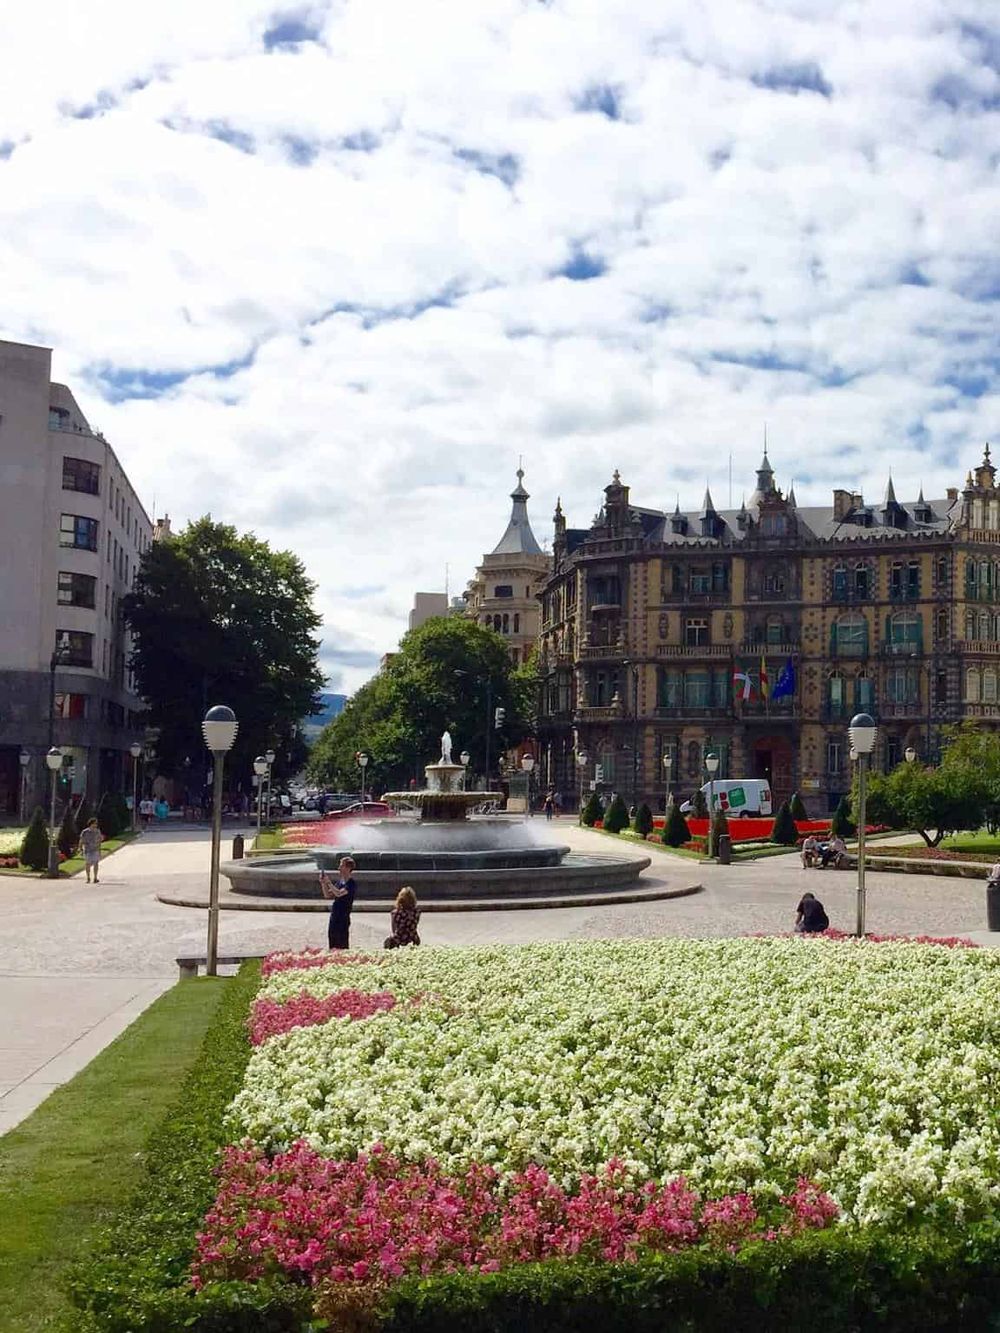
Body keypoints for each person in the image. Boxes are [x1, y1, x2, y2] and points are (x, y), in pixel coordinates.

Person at [320, 856, 357, 950]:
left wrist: (329, 883)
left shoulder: (351, 883)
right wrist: (323, 883)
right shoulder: (340, 882)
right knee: (332, 941)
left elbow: (339, 893)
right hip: (335, 915)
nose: (339, 868)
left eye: (341, 866)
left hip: (343, 917)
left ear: (348, 868)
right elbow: (327, 895)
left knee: (342, 943)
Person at [385, 885, 421, 949]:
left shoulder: (395, 913)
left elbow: (394, 929)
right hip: (412, 937)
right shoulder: (416, 913)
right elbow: (415, 926)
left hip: (399, 938)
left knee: (389, 941)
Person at [79, 818, 103, 884]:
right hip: (87, 850)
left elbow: (99, 841)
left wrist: (99, 849)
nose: (96, 825)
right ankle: (88, 877)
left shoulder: (97, 831)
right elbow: (81, 841)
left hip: (95, 849)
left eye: (96, 824)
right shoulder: (85, 832)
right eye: (95, 823)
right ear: (91, 824)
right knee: (87, 864)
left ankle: (95, 877)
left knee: (96, 863)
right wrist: (80, 848)